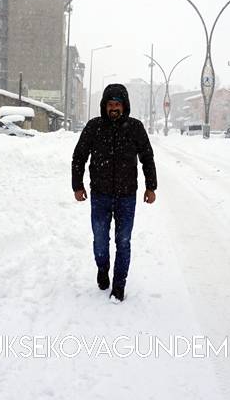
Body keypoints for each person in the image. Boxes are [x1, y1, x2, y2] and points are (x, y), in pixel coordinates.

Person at [71, 84, 157, 302]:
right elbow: (79, 157)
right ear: (104, 106)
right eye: (110, 104)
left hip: (127, 196)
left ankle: (119, 285)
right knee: (100, 240)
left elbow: (147, 157)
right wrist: (77, 185)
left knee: (123, 241)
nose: (114, 108)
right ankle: (102, 268)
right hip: (100, 195)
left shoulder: (135, 128)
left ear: (124, 105)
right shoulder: (94, 127)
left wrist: (151, 186)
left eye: (118, 104)